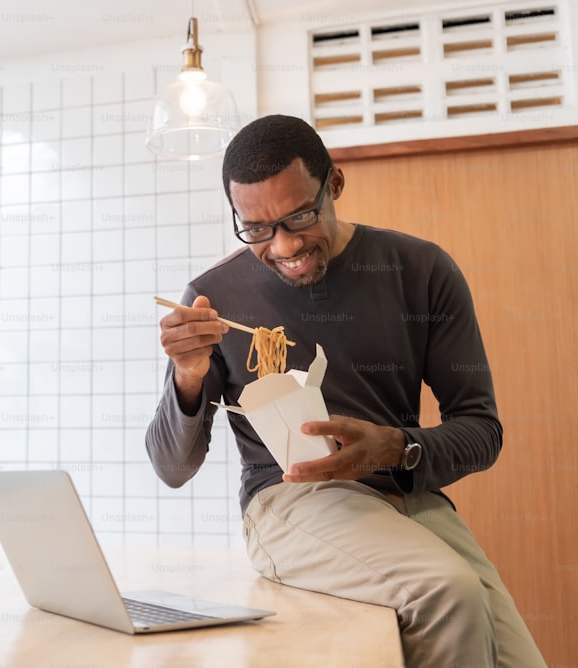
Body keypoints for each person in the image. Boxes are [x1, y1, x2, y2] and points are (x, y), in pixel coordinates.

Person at [145, 114, 545, 668]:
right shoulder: (212, 297)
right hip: (290, 498)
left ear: (334, 184)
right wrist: (188, 375)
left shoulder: (421, 270)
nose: (283, 246)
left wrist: (396, 447)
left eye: (298, 217)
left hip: (413, 498)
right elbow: (172, 467)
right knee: (447, 592)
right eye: (256, 228)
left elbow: (482, 431)